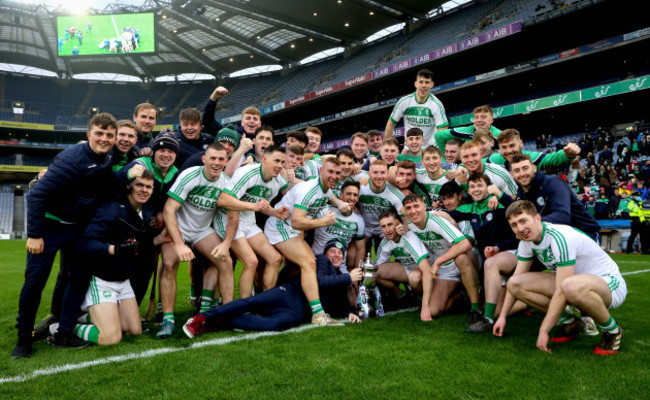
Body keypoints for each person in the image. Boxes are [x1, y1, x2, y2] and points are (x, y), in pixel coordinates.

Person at [13, 113, 119, 358]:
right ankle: (23, 339)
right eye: (99, 134)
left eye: (109, 135)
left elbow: (105, 181)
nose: (104, 139)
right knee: (35, 281)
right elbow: (37, 195)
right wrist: (35, 235)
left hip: (77, 228)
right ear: (88, 135)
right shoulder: (71, 159)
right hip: (50, 227)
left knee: (80, 278)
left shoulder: (108, 155)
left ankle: (64, 331)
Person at [494, 200, 627, 355]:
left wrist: (544, 330)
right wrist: (503, 316)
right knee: (515, 283)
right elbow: (515, 282)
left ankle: (613, 331)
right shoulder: (526, 243)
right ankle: (570, 322)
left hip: (609, 285)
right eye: (514, 225)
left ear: (537, 218)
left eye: (523, 221)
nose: (520, 228)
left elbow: (562, 290)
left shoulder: (560, 236)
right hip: (573, 284)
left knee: (569, 286)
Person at [182, 238, 363, 338]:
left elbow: (339, 302)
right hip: (287, 294)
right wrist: (348, 277)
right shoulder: (321, 262)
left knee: (273, 324)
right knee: (251, 302)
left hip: (298, 313)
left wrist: (349, 312)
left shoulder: (342, 280)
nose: (336, 255)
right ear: (325, 253)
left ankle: (219, 322)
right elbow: (320, 281)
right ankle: (201, 318)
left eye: (340, 253)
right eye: (333, 251)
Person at [72, 172, 166, 345]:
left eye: (148, 187)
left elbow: (137, 245)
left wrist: (158, 240)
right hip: (102, 279)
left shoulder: (144, 212)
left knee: (134, 330)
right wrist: (114, 250)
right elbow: (85, 243)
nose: (144, 190)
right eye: (139, 185)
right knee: (110, 338)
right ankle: (69, 326)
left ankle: (94, 316)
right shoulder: (112, 209)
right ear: (129, 186)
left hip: (123, 281)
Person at [158, 143, 237, 339]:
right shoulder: (190, 175)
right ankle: (168, 320)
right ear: (204, 159)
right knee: (169, 263)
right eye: (213, 158)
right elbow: (169, 209)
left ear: (226, 161)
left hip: (202, 230)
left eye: (221, 159)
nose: (217, 163)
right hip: (179, 227)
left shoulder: (227, 183)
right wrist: (178, 243)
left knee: (225, 261)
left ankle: (227, 314)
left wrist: (226, 243)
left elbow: (233, 218)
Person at [263, 158, 345, 326]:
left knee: (305, 264)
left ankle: (286, 300)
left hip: (291, 229)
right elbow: (297, 222)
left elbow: (330, 196)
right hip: (281, 227)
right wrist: (324, 221)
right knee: (308, 263)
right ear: (321, 171)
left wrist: (340, 202)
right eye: (330, 172)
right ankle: (316, 314)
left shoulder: (325, 189)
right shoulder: (308, 190)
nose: (334, 176)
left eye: (337, 173)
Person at [444, 173, 519, 333]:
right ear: (468, 191)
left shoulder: (498, 204)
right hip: (490, 258)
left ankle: (488, 319)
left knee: (491, 264)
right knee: (499, 310)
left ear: (488, 188)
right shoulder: (469, 208)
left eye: (480, 185)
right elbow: (446, 216)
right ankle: (478, 309)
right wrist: (427, 211)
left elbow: (517, 210)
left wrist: (498, 247)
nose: (476, 189)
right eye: (472, 186)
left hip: (510, 253)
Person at [217, 145, 289, 298]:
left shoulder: (278, 181)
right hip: (228, 219)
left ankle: (266, 301)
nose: (280, 166)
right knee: (251, 262)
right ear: (264, 159)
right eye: (276, 161)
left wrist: (274, 212)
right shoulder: (247, 173)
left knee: (275, 258)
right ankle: (245, 306)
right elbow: (223, 200)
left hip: (248, 221)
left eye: (282, 162)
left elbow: (262, 206)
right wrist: (253, 206)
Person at [400, 194, 480, 323]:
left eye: (416, 206)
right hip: (446, 269)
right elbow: (403, 215)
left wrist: (438, 261)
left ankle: (476, 309)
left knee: (461, 258)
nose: (413, 211)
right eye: (409, 208)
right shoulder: (411, 224)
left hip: (467, 258)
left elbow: (465, 244)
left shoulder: (435, 219)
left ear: (425, 206)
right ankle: (460, 296)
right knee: (433, 311)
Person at [489, 154, 601, 242]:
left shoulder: (553, 183)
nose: (522, 173)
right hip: (559, 239)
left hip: (585, 234)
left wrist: (530, 225)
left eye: (525, 168)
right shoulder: (522, 193)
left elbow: (562, 216)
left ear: (534, 168)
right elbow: (518, 211)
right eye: (517, 171)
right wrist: (500, 195)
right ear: (512, 174)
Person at [375, 209, 435, 321]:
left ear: (398, 223)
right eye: (383, 226)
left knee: (414, 277)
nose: (387, 230)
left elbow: (427, 270)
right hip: (407, 269)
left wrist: (425, 307)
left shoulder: (409, 238)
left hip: (428, 270)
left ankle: (420, 298)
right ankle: (401, 294)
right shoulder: (385, 242)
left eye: (390, 225)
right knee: (374, 272)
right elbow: (375, 267)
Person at [385, 69, 448, 149]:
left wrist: (440, 152)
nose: (424, 85)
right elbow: (390, 124)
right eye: (421, 82)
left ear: (432, 84)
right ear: (416, 84)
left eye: (427, 82)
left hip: (429, 151)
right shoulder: (404, 102)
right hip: (409, 150)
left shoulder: (436, 105)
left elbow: (443, 131)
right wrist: (389, 147)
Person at [312, 180, 366, 273]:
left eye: (355, 195)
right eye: (348, 194)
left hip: (340, 267)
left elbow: (360, 249)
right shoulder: (325, 211)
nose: (352, 198)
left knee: (352, 286)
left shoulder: (359, 220)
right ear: (341, 196)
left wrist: (357, 274)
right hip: (317, 262)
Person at [358, 160, 404, 254]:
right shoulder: (361, 187)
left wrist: (403, 228)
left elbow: (406, 219)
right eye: (375, 172)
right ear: (369, 174)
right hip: (364, 226)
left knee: (388, 252)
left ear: (387, 174)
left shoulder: (395, 194)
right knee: (353, 253)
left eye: (382, 172)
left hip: (384, 228)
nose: (379, 176)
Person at [487, 129, 580, 170]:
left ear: (521, 143)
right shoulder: (494, 160)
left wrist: (567, 154)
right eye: (504, 147)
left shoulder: (531, 158)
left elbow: (551, 158)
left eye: (512, 145)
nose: (509, 151)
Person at [435, 105, 500, 159]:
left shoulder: (498, 135)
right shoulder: (466, 131)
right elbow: (438, 136)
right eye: (476, 117)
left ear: (491, 121)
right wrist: (446, 159)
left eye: (483, 117)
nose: (479, 120)